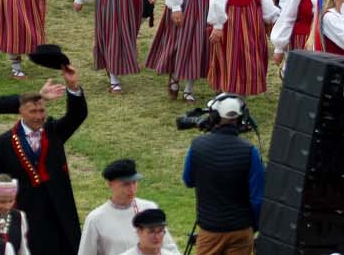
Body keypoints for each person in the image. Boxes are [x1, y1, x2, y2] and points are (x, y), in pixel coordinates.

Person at [0, 63, 85, 255]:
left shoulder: (53, 132)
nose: (39, 116)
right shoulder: (3, 143)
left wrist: (72, 86)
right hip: (27, 213)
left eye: (42, 111)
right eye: (33, 112)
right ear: (21, 111)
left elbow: (77, 115)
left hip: (59, 211)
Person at [180, 96, 261, 255]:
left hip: (210, 231)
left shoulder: (197, 146)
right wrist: (252, 227)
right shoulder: (250, 151)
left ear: (214, 117)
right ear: (240, 119)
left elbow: (188, 180)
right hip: (241, 231)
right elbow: (257, 198)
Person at [72, 159, 177, 255]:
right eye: (125, 184)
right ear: (110, 184)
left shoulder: (149, 208)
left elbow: (169, 247)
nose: (131, 189)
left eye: (134, 182)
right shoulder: (96, 219)